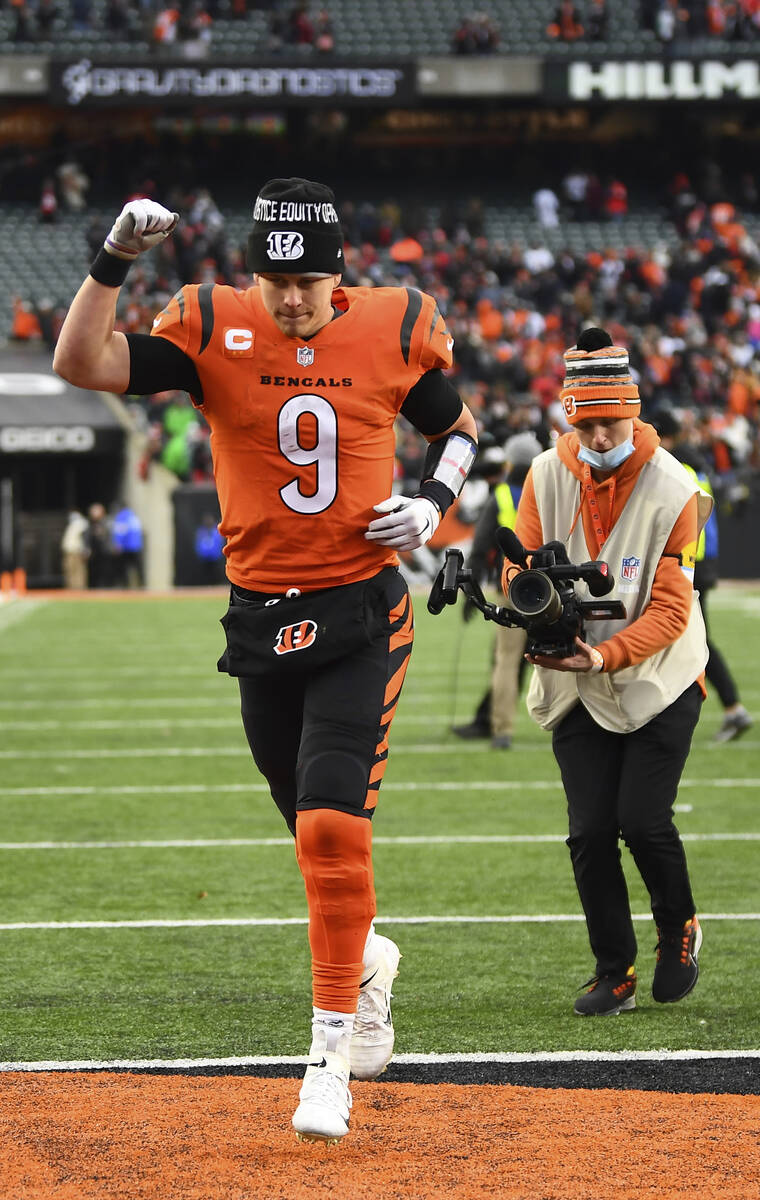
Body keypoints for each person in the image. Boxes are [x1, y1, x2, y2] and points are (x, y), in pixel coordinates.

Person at [53, 179, 478, 1144]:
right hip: (259, 623)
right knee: (305, 828)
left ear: (341, 272)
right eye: (275, 277)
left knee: (333, 829)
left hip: (362, 612)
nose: (292, 297)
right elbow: (80, 360)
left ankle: (327, 1057)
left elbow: (456, 429)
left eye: (310, 278)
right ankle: (366, 960)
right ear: (254, 271)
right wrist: (113, 260)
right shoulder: (212, 324)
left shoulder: (394, 324)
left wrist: (433, 502)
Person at [501, 327, 710, 1017]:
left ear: (635, 412)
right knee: (590, 830)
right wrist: (527, 599)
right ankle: (612, 967)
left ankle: (677, 927)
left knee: (643, 822)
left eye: (610, 423)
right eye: (585, 423)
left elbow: (673, 611)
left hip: (660, 678)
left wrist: (604, 654)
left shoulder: (680, 487)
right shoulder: (542, 473)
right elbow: (518, 564)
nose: (596, 437)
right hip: (574, 681)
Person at [654, 408, 753, 744]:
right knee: (688, 637)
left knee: (693, 640)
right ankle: (727, 707)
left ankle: (731, 707)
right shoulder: (695, 464)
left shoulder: (673, 466)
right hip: (702, 560)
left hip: (687, 563)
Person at [452, 430, 543, 748]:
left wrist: (469, 595)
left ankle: (502, 730)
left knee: (506, 659)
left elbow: (479, 550)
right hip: (549, 587)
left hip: (513, 587)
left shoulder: (502, 495)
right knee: (563, 656)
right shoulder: (549, 489)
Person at [111, 503, 144, 588]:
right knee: (137, 567)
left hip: (126, 547)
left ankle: (125, 585)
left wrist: (118, 544)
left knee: (124, 568)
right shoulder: (134, 517)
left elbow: (120, 532)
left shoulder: (121, 517)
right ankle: (140, 584)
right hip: (137, 546)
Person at [60, 509, 90, 589]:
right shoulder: (72, 525)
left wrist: (85, 550)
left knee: (78, 570)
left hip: (76, 551)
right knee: (69, 570)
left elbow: (85, 538)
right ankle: (71, 587)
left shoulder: (81, 524)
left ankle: (79, 588)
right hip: (70, 551)